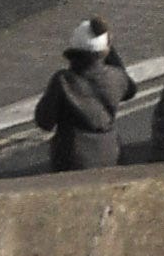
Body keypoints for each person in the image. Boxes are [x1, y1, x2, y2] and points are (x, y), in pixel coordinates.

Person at [34, 20, 132, 172]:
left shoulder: (63, 81)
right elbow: (130, 90)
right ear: (105, 51)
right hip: (111, 154)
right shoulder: (117, 77)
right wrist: (110, 51)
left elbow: (44, 122)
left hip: (72, 159)